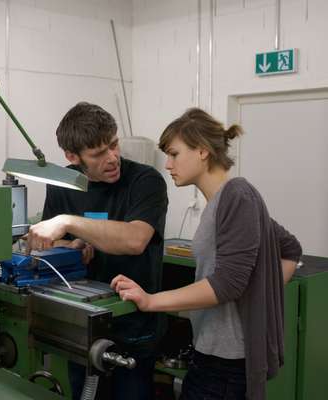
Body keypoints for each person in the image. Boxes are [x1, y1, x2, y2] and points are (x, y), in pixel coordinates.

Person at [111, 108, 302, 399]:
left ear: (202, 151)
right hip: (209, 354)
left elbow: (227, 284)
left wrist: (151, 301)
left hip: (227, 364)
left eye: (174, 154)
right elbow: (290, 248)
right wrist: (262, 292)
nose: (167, 164)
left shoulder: (238, 196)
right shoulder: (221, 203)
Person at [27, 102, 168, 400]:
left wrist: (68, 223)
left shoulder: (145, 181)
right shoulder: (63, 183)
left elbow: (135, 239)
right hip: (80, 324)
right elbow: (47, 243)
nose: (112, 157)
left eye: (113, 145)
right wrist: (71, 244)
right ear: (72, 156)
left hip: (132, 327)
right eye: (98, 154)